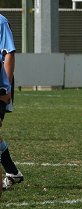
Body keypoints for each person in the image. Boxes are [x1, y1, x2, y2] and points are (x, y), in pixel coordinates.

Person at [0, 14, 24, 191]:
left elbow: (9, 54)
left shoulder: (1, 22)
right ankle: (12, 172)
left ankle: (12, 171)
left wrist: (5, 88)